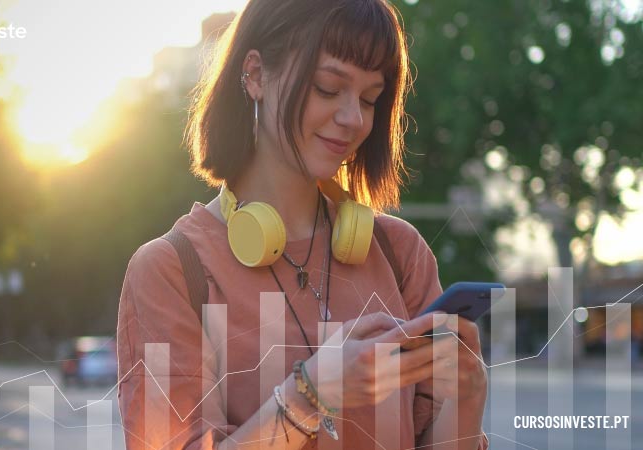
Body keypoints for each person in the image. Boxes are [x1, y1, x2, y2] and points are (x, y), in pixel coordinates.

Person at [116, 0, 489, 448]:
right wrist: (311, 395)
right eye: (328, 88)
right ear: (254, 75)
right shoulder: (171, 271)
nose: (354, 118)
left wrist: (468, 397)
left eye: (370, 98)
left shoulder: (400, 254)